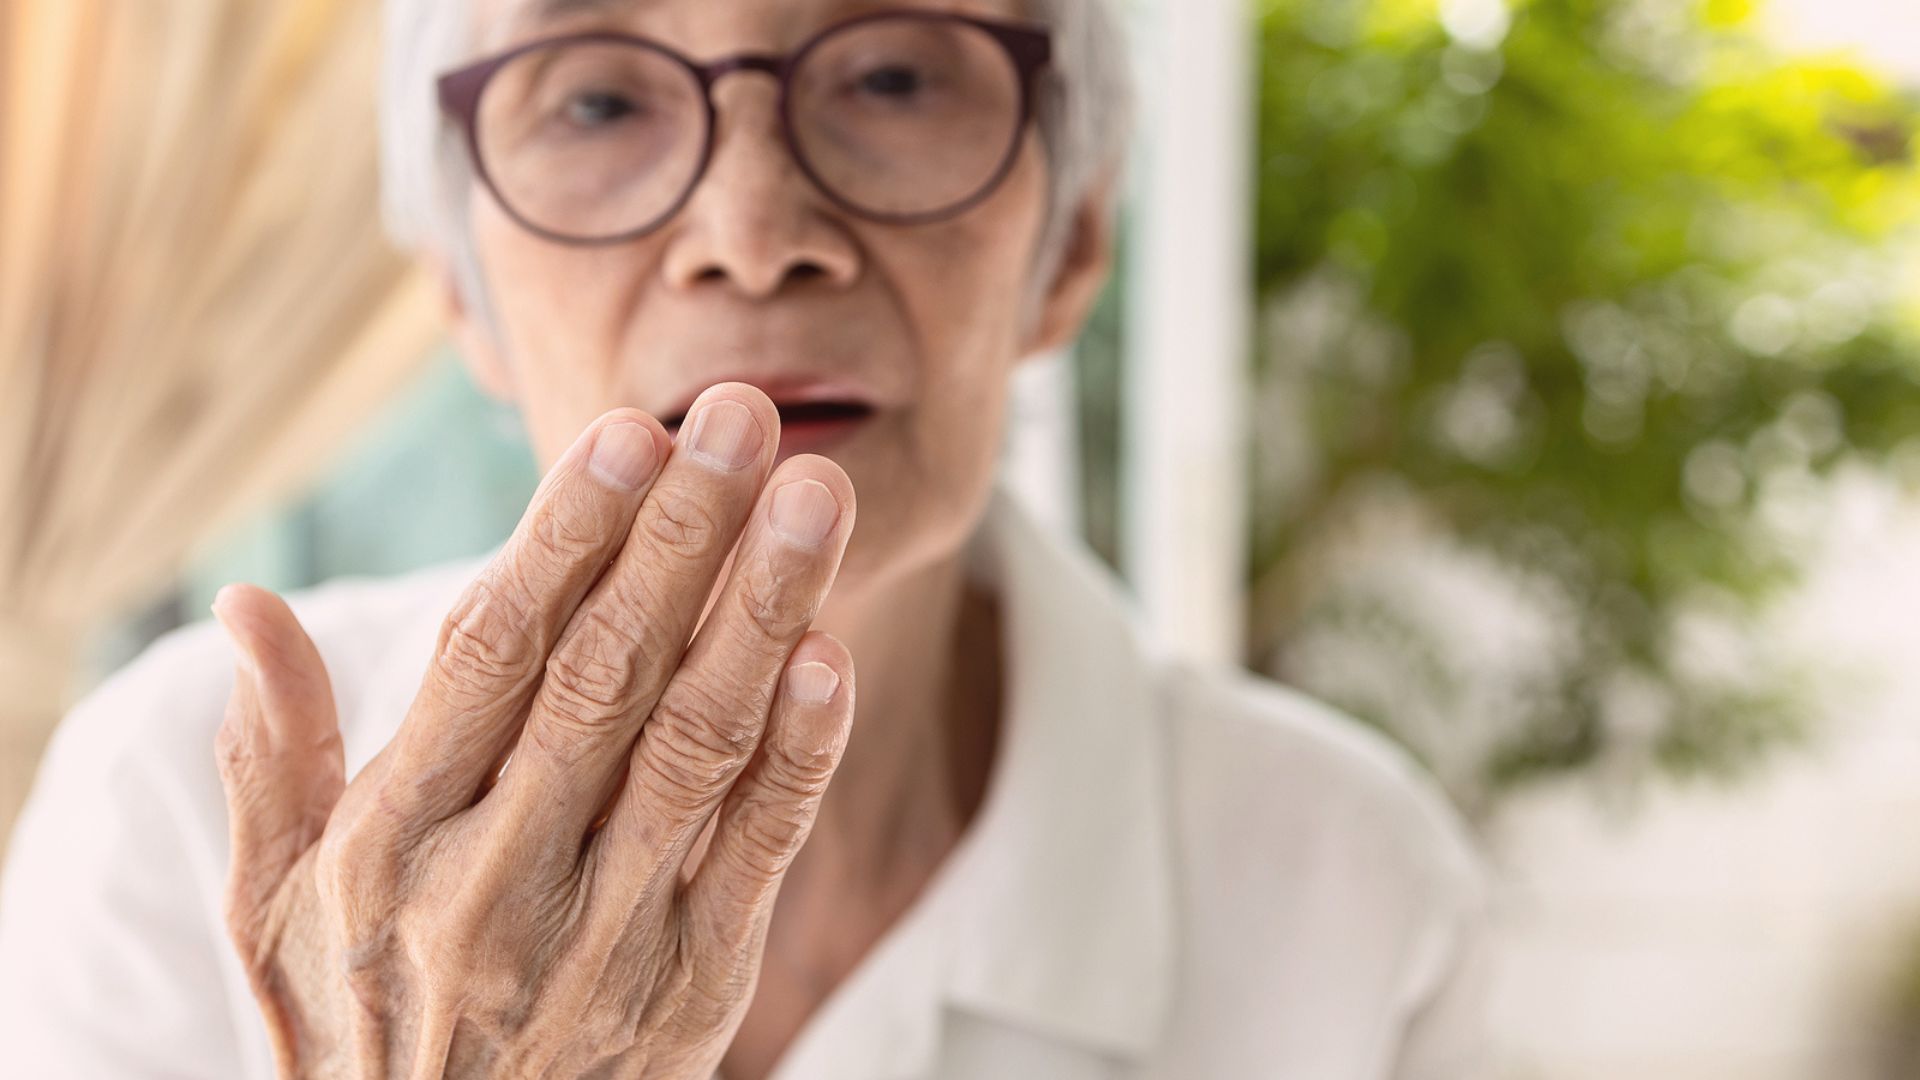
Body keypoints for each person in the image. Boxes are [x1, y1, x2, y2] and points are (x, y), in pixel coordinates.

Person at [0, 0, 1490, 1076]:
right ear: (464, 293)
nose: (755, 220)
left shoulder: (1345, 882)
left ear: (1073, 241)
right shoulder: (169, 805)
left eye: (895, 74)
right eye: (595, 101)